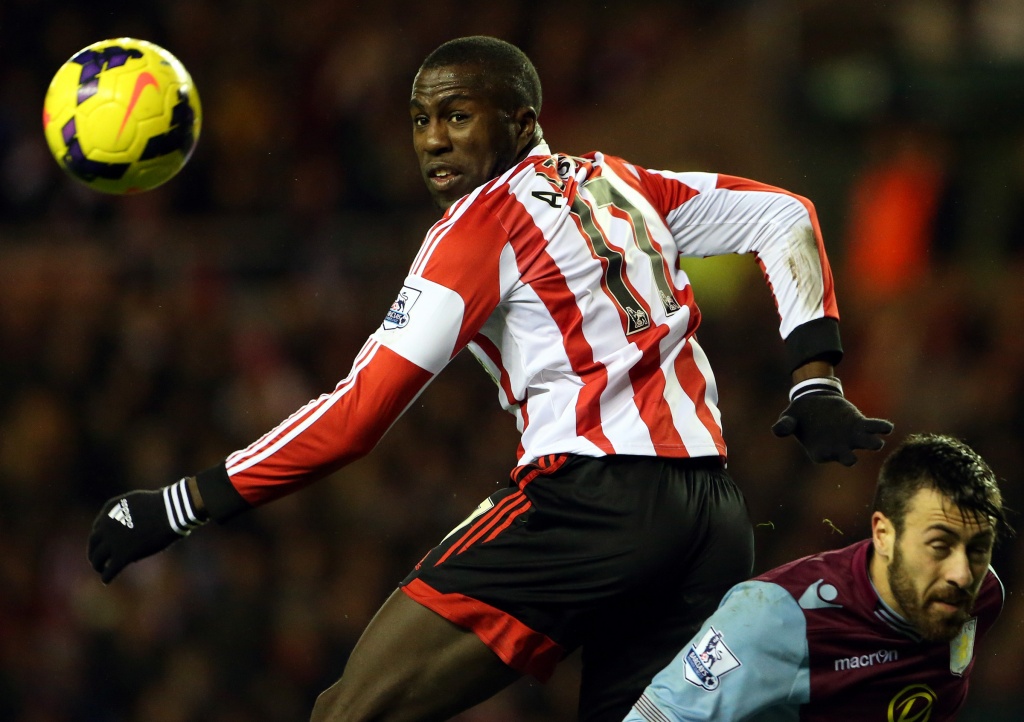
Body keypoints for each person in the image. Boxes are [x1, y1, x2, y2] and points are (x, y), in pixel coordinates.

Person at [86, 36, 893, 721]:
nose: (433, 139)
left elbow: (360, 413)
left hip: (587, 502)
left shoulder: (479, 227)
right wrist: (813, 377)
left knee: (349, 711)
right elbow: (785, 215)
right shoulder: (623, 183)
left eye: (457, 115)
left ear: (522, 121)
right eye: (420, 120)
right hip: (710, 517)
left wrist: (183, 504)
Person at [626, 433, 1009, 722]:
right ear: (883, 534)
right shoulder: (776, 618)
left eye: (978, 548)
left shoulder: (981, 594)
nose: (962, 574)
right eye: (939, 546)